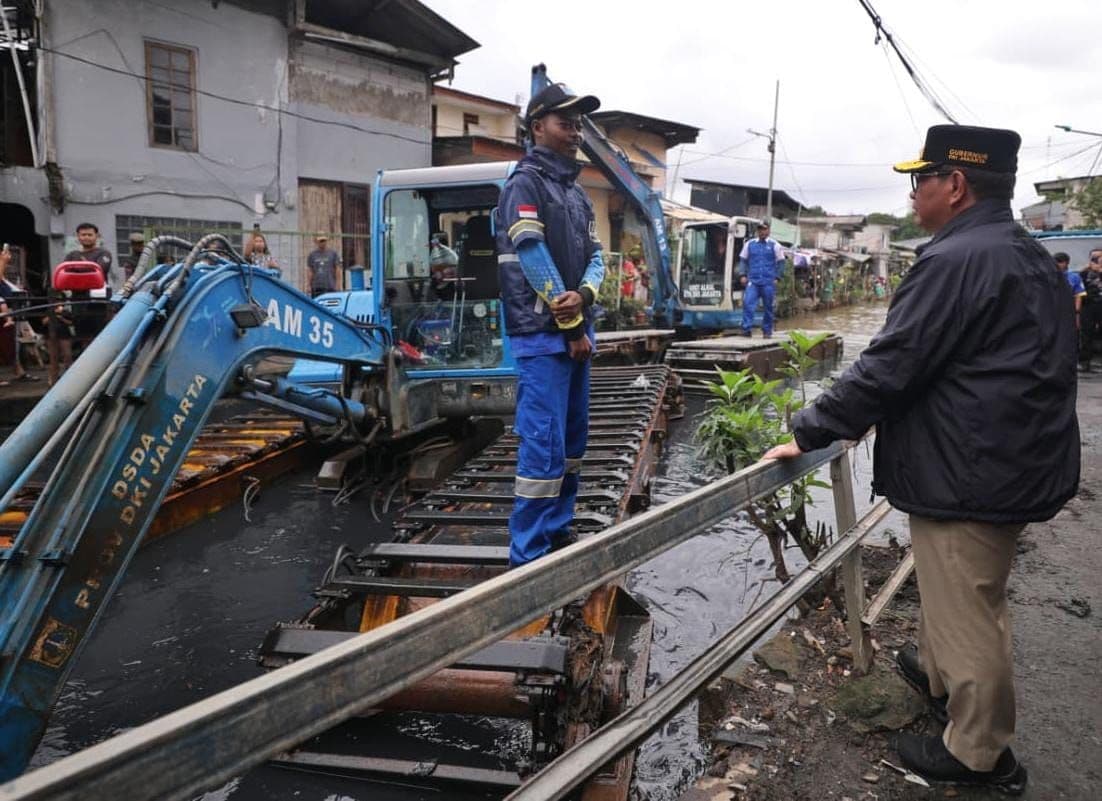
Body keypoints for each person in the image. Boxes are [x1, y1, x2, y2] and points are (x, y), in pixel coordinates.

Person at [763, 125, 1079, 795]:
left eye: (921, 178)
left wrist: (812, 429)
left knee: (969, 605)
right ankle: (939, 672)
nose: (912, 193)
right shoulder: (1023, 252)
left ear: (955, 184)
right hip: (1007, 459)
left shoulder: (954, 260)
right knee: (967, 590)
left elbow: (890, 364)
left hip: (972, 471)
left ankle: (979, 754)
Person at [494, 81, 604, 568]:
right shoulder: (525, 184)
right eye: (566, 123)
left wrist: (585, 296)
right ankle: (528, 558)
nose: (575, 132)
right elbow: (533, 255)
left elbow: (597, 258)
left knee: (573, 442)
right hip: (543, 338)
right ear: (538, 127)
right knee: (543, 445)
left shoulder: (576, 193)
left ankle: (558, 531)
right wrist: (573, 326)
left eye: (578, 124)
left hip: (578, 331)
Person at [738, 222, 785, 337]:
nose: (762, 232)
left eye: (764, 229)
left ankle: (767, 331)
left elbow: (781, 262)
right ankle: (746, 329)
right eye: (760, 229)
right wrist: (742, 275)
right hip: (753, 281)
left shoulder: (775, 245)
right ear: (757, 231)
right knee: (748, 303)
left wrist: (777, 277)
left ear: (768, 230)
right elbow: (743, 260)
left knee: (768, 306)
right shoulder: (749, 244)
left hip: (768, 281)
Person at [0, 246, 38, 386]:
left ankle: (19, 371)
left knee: (12, 345)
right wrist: (3, 261)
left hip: (10, 312)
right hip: (3, 313)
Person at [64, 222, 114, 291]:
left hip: (98, 293)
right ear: (78, 236)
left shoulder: (104, 253)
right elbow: (65, 273)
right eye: (83, 235)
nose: (86, 237)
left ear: (96, 236)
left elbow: (98, 271)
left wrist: (76, 269)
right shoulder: (72, 254)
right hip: (76, 293)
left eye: (90, 235)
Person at [1078, 248, 1102, 372]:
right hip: (1088, 306)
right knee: (1086, 333)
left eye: (1099, 258)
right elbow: (1075, 284)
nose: (1096, 260)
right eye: (1094, 258)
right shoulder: (1084, 273)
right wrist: (1084, 270)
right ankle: (1084, 362)